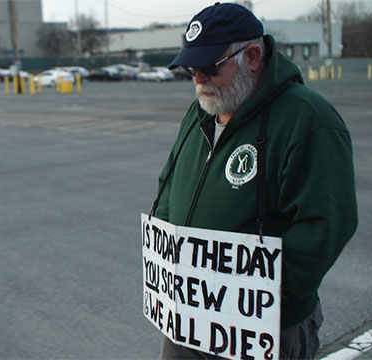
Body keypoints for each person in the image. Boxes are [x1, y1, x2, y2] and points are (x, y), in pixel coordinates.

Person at [153, 2, 358, 359]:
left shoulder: (307, 120)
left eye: (208, 66)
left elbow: (326, 226)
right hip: (187, 317)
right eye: (190, 67)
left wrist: (248, 291)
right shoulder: (201, 111)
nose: (198, 78)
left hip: (260, 326)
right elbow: (170, 185)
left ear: (251, 57)